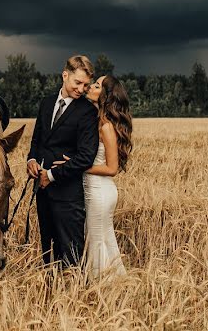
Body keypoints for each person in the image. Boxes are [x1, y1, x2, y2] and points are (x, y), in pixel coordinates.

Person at [57, 75, 133, 278]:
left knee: (96, 240)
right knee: (102, 239)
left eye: (97, 85)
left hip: (100, 191)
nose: (90, 86)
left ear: (105, 95)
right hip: (96, 190)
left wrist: (75, 166)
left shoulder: (106, 127)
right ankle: (115, 284)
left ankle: (101, 287)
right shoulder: (97, 120)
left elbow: (112, 168)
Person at [26, 55, 99, 266]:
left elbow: (86, 156)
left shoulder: (87, 112)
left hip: (68, 195)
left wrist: (51, 175)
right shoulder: (46, 103)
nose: (81, 89)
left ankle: (73, 296)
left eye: (86, 85)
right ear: (65, 75)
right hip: (42, 192)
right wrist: (31, 159)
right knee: (47, 251)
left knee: (70, 252)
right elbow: (37, 139)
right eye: (78, 82)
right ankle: (50, 294)